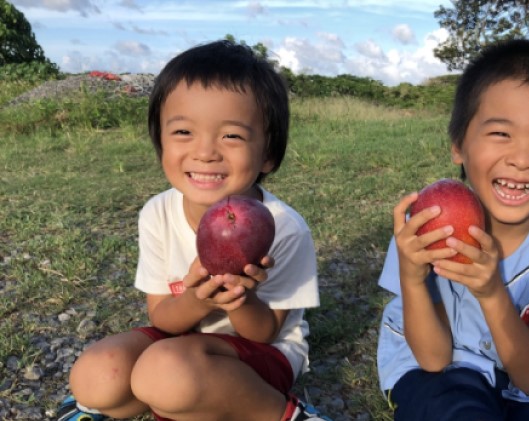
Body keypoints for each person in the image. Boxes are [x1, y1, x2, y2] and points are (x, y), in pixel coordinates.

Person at [57, 40, 332, 421]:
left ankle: (284, 414)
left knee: (167, 374)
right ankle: (179, 397)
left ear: (268, 152)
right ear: (159, 142)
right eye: (183, 132)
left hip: (262, 353)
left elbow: (265, 333)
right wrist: (200, 301)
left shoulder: (283, 228)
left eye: (231, 136)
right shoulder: (157, 213)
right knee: (96, 374)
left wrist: (238, 298)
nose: (205, 152)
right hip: (182, 342)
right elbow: (164, 318)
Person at [376, 38, 529, 420]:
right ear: (459, 146)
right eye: (500, 133)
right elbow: (433, 360)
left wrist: (492, 291)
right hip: (443, 371)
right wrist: (413, 279)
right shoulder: (426, 229)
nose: (522, 159)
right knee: (451, 408)